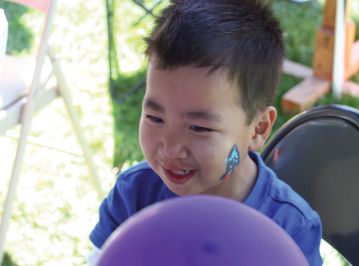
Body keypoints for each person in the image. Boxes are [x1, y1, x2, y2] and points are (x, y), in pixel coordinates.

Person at [89, 0, 323, 265]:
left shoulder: (290, 227)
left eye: (199, 128)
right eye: (155, 117)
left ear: (258, 129)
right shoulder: (135, 195)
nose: (171, 148)